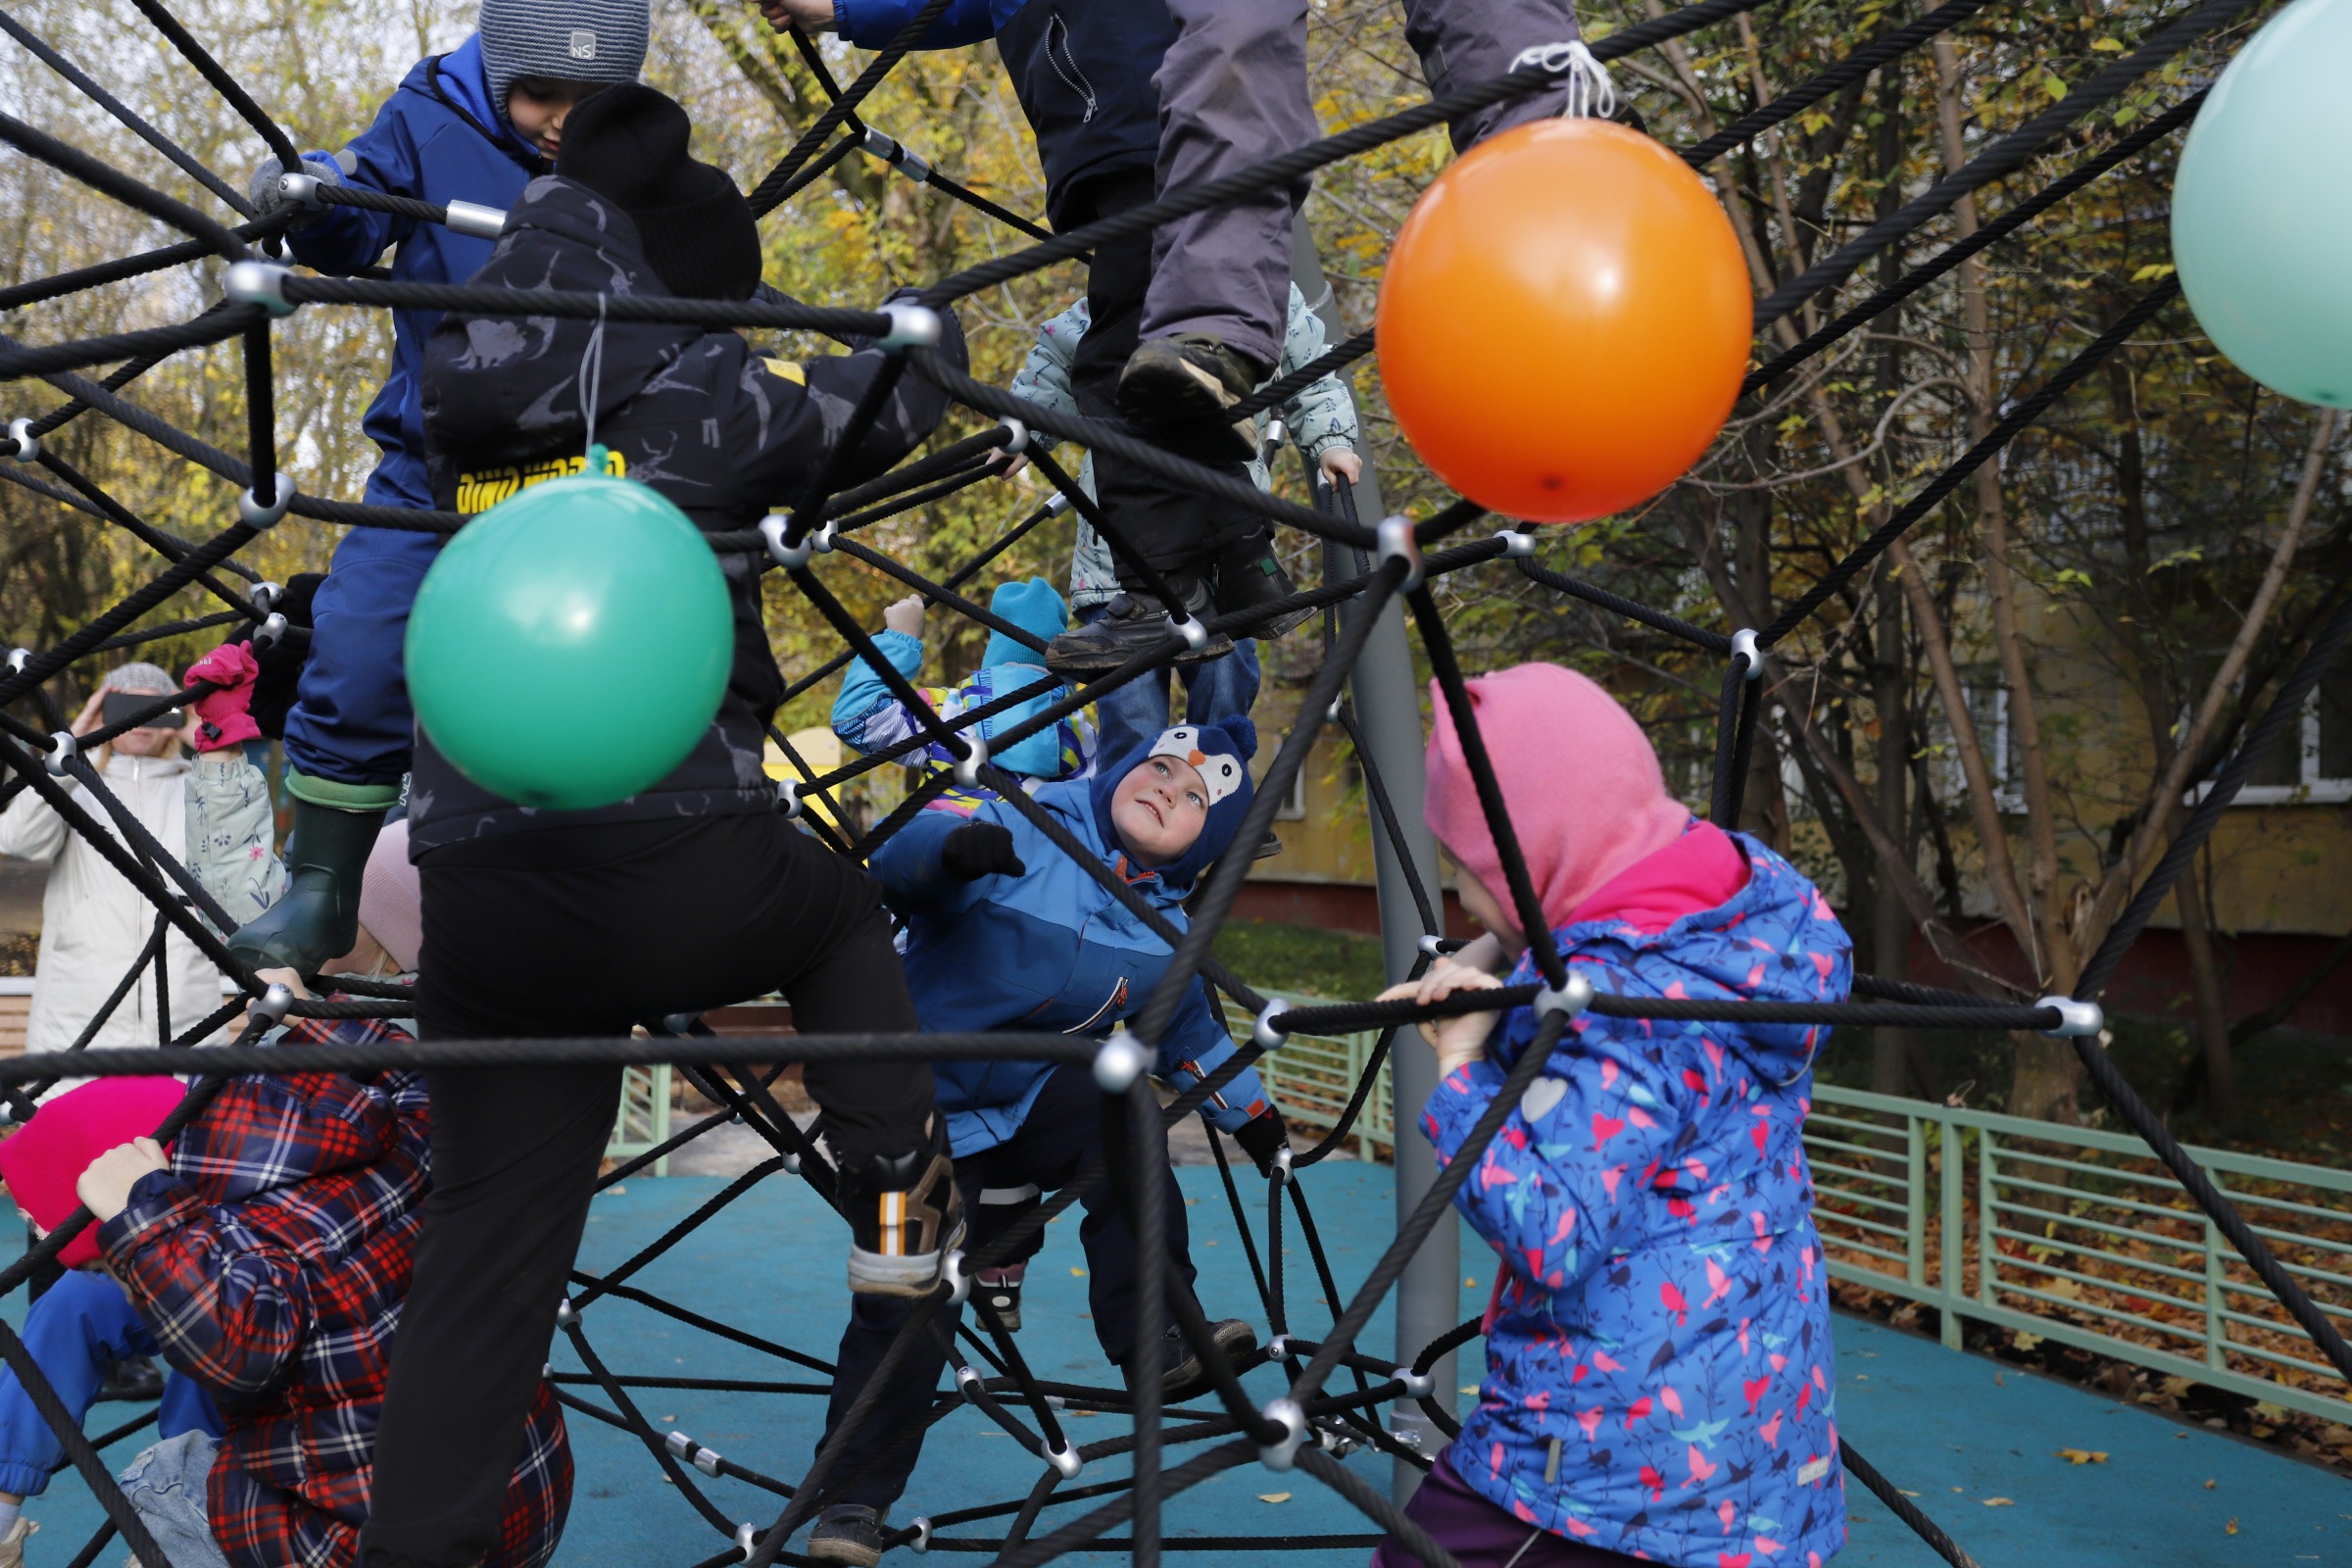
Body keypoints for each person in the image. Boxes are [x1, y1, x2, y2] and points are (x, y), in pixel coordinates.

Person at [359, 84, 967, 1568]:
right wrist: (922, 326)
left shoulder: (457, 408)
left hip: (481, 886)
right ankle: (896, 1186)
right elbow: (872, 411)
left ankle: (415, 1550)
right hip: (676, 851)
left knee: (486, 1253)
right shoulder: (704, 385)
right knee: (828, 909)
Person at [1367, 663, 1850, 1568]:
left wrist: (1463, 1062)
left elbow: (1545, 1225)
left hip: (1606, 1460)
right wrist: (1509, 953)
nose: (1464, 897)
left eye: (1471, 871)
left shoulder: (1624, 1015)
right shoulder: (1737, 923)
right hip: (1757, 1451)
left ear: (1537, 856)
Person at [231, 0, 652, 975]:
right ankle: (321, 888)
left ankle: (609, 894)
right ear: (495, 69)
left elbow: (700, 252)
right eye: (539, 93)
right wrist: (314, 191)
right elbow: (356, 211)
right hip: (434, 461)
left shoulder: (636, 151)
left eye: (588, 102)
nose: (559, 120)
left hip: (586, 472)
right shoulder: (433, 114)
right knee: (360, 639)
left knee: (582, 675)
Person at [806, 717, 1287, 1565]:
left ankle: (1156, 1341)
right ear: (1122, 769)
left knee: (1123, 1100)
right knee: (908, 1292)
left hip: (1026, 1107)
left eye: (1191, 797)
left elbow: (1190, 1035)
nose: (1168, 786)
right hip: (909, 1115)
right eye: (1161, 767)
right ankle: (850, 1498)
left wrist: (1255, 1117)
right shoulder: (1031, 818)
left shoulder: (1161, 923)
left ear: (1200, 842)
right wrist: (950, 860)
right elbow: (899, 857)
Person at [761, 0, 1315, 664]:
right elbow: (955, 6)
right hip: (1106, 159)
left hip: (1157, 135)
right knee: (1159, 366)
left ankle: (1160, 595)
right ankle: (1244, 561)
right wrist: (840, 11)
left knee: (1116, 374)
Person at [1005, 281, 1363, 711]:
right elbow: (1055, 356)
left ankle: (1217, 773)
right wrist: (1019, 432)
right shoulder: (1118, 295)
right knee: (1130, 709)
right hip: (1119, 567)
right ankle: (1133, 776)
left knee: (1224, 695)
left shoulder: (1261, 289)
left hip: (1220, 557)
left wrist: (1332, 441)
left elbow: (1310, 367)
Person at [0, 653, 281, 1060]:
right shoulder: (75, 782)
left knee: (173, 1121)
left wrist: (199, 736)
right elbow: (18, 839)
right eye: (125, 707)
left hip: (184, 1007)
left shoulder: (200, 787)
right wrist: (72, 742)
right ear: (102, 711)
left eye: (153, 709)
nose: (139, 721)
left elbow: (245, 858)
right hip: (78, 1008)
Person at [831, 579, 1097, 804]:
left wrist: (899, 638)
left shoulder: (951, 712)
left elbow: (856, 720)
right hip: (1041, 854)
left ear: (993, 657)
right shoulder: (1083, 738)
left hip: (949, 850)